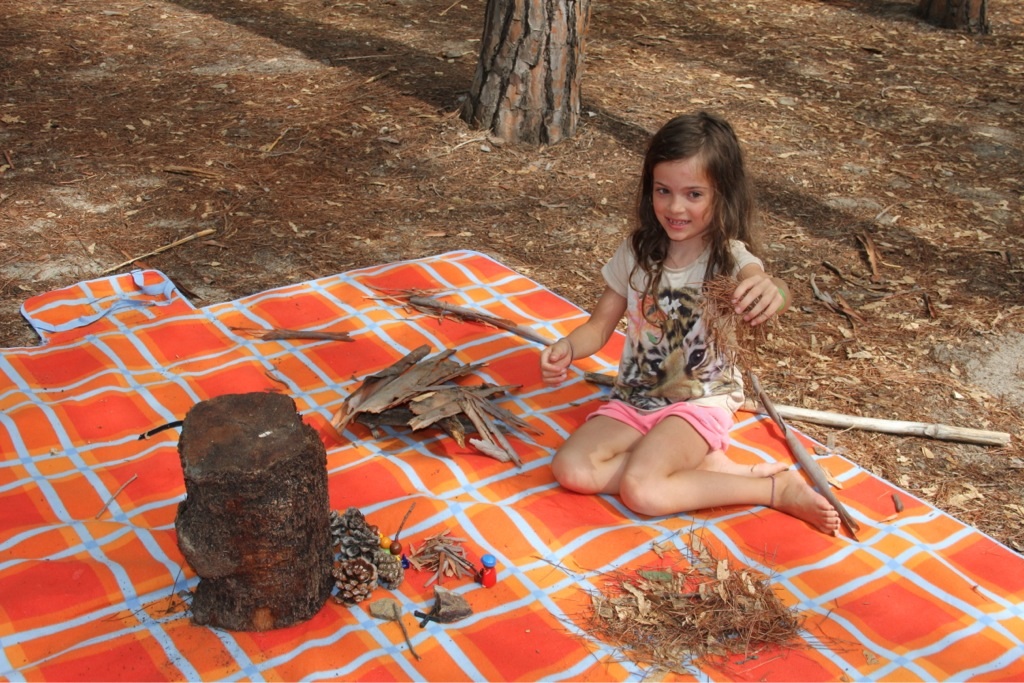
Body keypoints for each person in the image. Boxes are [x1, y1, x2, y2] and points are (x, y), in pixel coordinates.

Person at [540, 111, 839, 534]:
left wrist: (773, 291)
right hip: (638, 397)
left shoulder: (727, 257)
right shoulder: (636, 253)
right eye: (663, 191)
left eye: (694, 194)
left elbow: (770, 285)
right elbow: (598, 327)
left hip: (699, 400)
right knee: (571, 468)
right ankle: (698, 470)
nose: (675, 207)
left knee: (643, 491)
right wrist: (568, 347)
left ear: (722, 194)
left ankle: (772, 489)